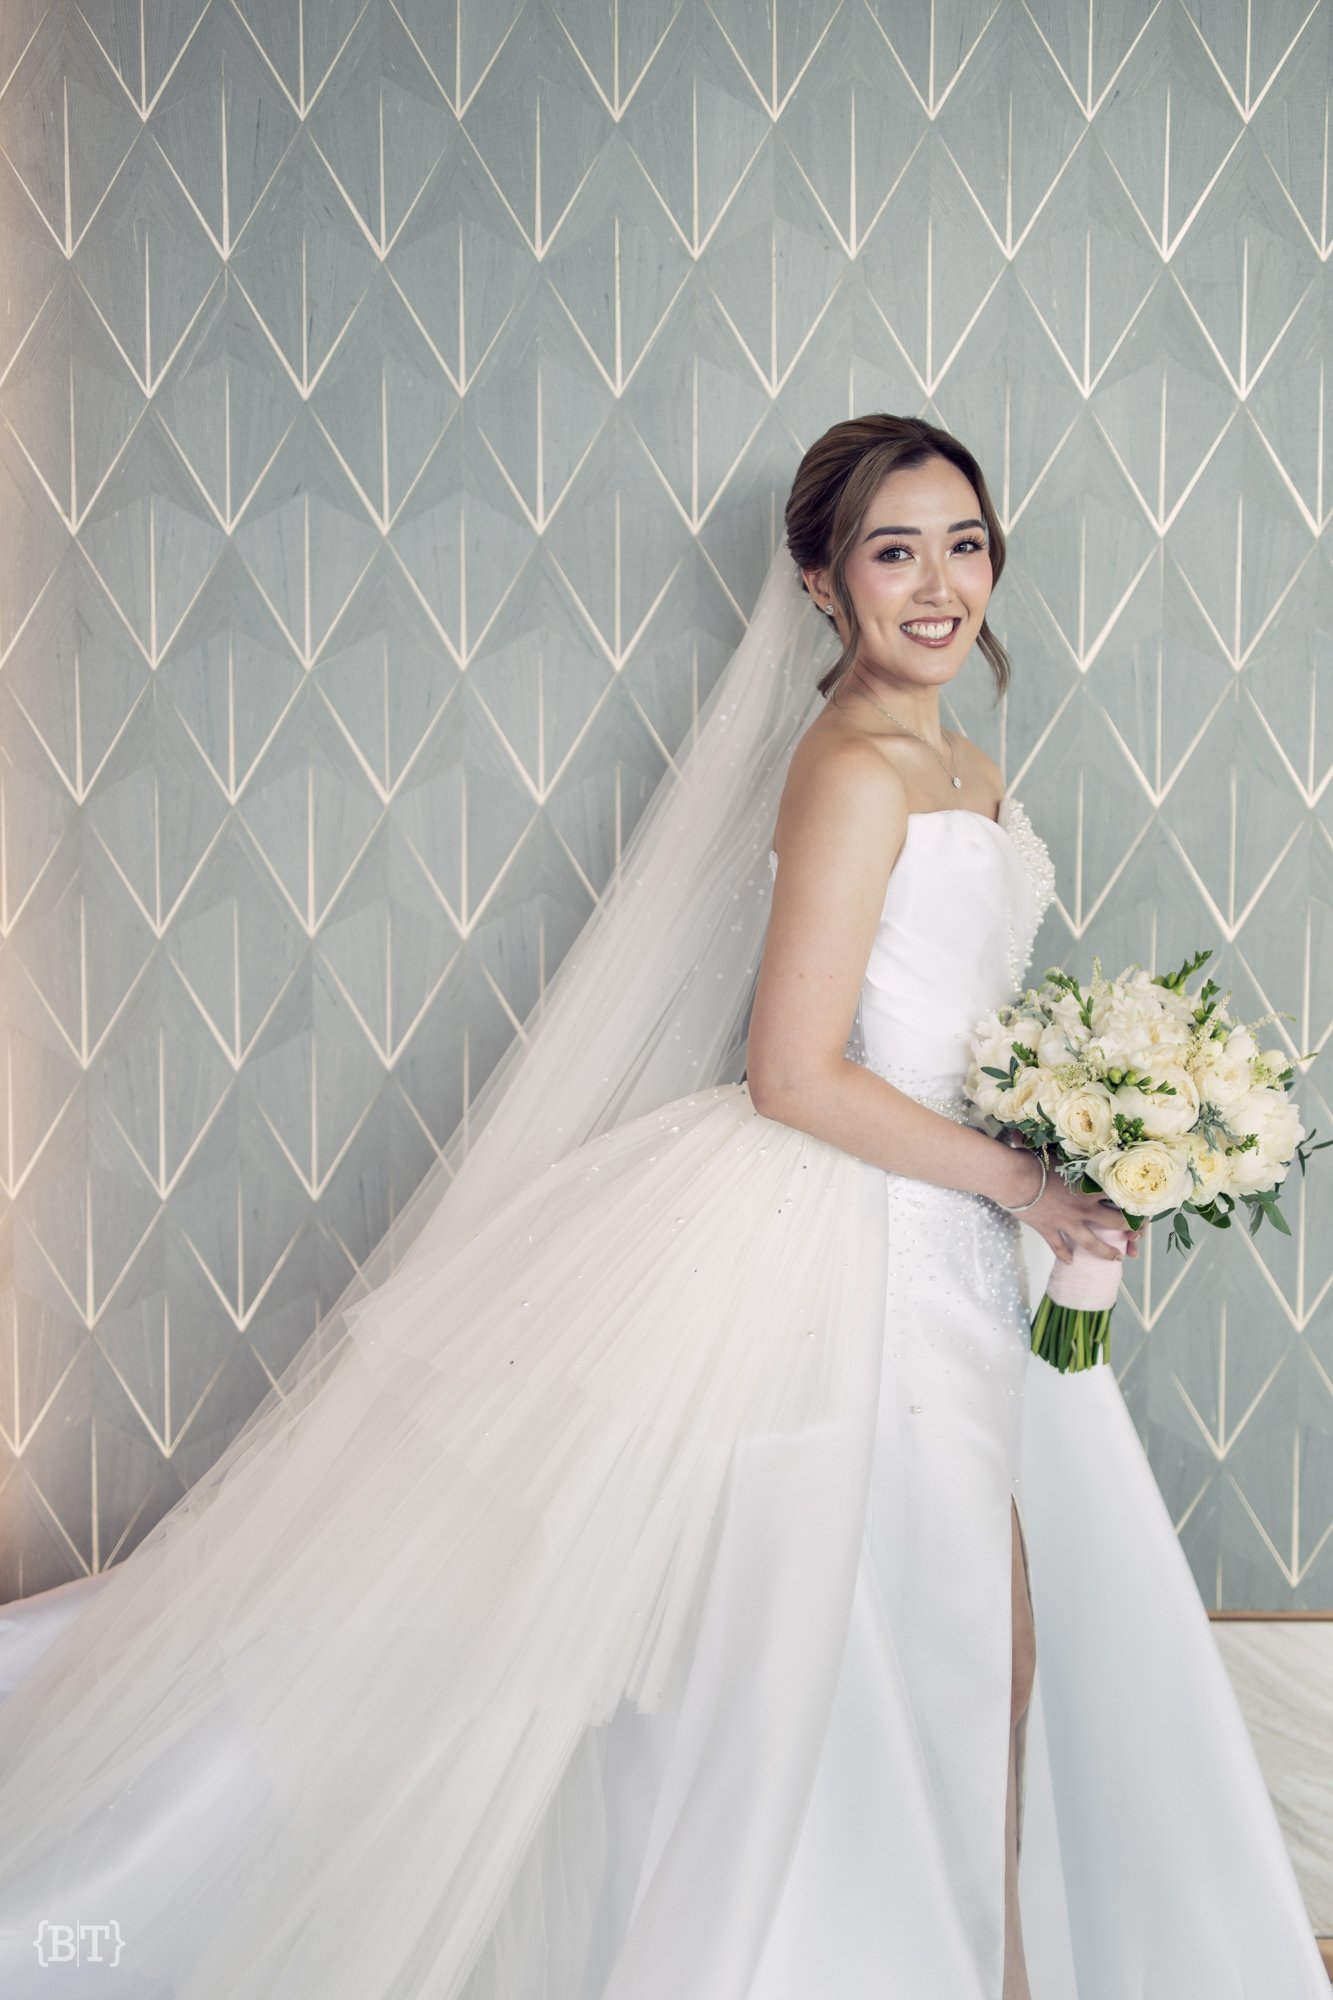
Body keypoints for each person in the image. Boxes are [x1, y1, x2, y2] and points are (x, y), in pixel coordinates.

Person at [0, 416, 1324, 1999]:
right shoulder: (850, 768)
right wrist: (1029, 1182)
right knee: (917, 1649)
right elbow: (793, 1072)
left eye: (962, 545)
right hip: (858, 1252)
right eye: (891, 551)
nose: (936, 585)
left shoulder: (962, 762)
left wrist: (1074, 1129)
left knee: (982, 1654)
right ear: (821, 583)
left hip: (948, 1236)